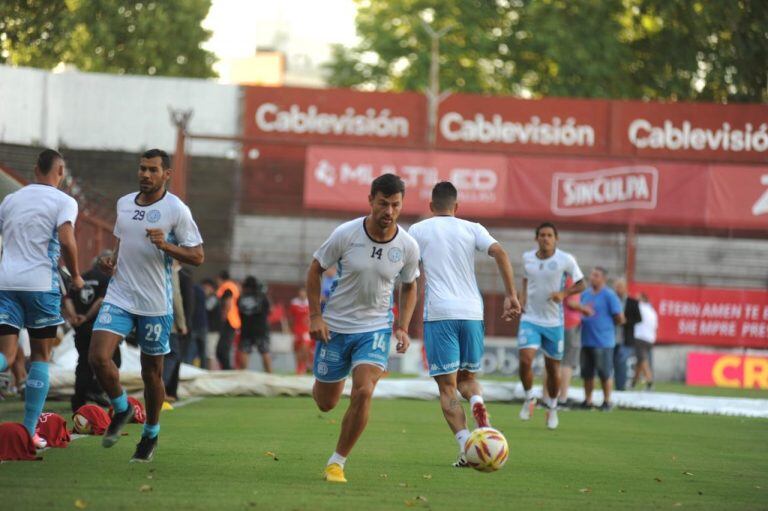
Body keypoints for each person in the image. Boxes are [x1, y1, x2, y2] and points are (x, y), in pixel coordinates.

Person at [88, 148, 204, 463]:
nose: (146, 175)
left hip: (155, 302)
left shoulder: (176, 209)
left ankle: (150, 434)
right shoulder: (124, 203)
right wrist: (113, 260)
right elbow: (122, 242)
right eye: (142, 169)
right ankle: (123, 407)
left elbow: (197, 256)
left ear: (166, 174)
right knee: (98, 356)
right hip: (121, 294)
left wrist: (166, 244)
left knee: (151, 373)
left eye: (153, 170)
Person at [307, 173, 420, 483]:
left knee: (364, 391)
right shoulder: (346, 234)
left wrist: (403, 326)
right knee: (326, 402)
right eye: (383, 204)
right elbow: (316, 268)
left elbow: (410, 285)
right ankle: (327, 380)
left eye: (395, 205)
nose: (389, 211)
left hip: (375, 328)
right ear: (371, 200)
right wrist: (315, 316)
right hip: (336, 327)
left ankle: (337, 462)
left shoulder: (408, 246)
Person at [408, 181, 521, 467]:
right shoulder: (473, 228)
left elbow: (407, 275)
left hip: (440, 314)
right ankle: (479, 406)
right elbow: (501, 253)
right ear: (457, 207)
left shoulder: (418, 231)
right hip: (472, 312)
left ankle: (466, 446)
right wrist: (511, 295)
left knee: (447, 388)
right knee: (468, 380)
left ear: (431, 207)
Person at [0, 149, 84, 449]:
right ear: (59, 171)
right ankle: (28, 431)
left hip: (6, 282)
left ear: (36, 168)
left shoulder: (11, 200)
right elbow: (65, 239)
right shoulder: (64, 201)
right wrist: (75, 275)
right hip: (39, 284)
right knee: (40, 357)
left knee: (8, 357)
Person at [518, 222, 585, 429]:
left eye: (549, 235)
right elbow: (525, 282)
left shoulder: (565, 259)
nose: (546, 238)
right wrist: (521, 301)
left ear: (556, 238)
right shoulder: (527, 258)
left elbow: (581, 283)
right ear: (536, 238)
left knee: (553, 370)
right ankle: (529, 398)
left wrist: (563, 294)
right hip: (530, 318)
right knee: (525, 358)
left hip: (554, 322)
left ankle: (552, 407)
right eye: (542, 235)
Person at [64, 250, 121, 412]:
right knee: (113, 359)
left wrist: (75, 317)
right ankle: (97, 390)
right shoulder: (107, 279)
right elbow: (101, 301)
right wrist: (88, 317)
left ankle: (78, 401)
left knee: (83, 362)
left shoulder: (81, 277)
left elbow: (67, 299)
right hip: (100, 327)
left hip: (80, 327)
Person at [579, 267, 625, 410]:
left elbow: (620, 318)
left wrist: (607, 326)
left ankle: (607, 401)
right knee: (587, 373)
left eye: (596, 275)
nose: (592, 277)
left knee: (604, 373)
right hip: (586, 339)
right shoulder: (585, 294)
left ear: (604, 278)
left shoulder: (609, 295)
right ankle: (588, 401)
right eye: (592, 275)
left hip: (603, 342)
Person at [612, 278, 642, 391]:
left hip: (625, 338)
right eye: (616, 286)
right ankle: (613, 385)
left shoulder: (632, 302)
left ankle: (620, 387)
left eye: (619, 287)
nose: (617, 289)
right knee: (611, 363)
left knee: (621, 362)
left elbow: (638, 319)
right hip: (611, 337)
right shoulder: (612, 300)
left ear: (625, 288)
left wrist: (626, 321)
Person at [237, 276, 272, 373]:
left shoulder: (241, 298)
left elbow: (239, 312)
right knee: (265, 351)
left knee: (245, 352)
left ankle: (243, 375)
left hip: (246, 330)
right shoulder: (262, 298)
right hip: (261, 329)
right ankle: (270, 376)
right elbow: (269, 311)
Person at [632, 293, 658, 390]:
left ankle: (650, 382)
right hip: (650, 339)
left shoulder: (640, 307)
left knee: (643, 360)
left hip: (640, 337)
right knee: (640, 361)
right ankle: (633, 383)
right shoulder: (652, 311)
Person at [216, 271, 240, 370]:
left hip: (229, 320)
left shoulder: (226, 286)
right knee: (224, 348)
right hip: (233, 320)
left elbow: (228, 301)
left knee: (223, 349)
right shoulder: (233, 286)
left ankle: (227, 369)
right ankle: (226, 368)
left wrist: (224, 314)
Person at [288, 288, 312, 374]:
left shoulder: (310, 303)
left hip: (306, 330)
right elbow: (291, 317)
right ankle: (298, 367)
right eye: (300, 293)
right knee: (297, 349)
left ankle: (304, 366)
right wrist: (290, 329)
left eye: (303, 293)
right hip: (297, 330)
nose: (302, 295)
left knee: (305, 348)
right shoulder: (294, 303)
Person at [185, 280, 208, 368]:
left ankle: (188, 369)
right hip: (203, 324)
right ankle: (204, 370)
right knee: (203, 352)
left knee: (190, 351)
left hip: (194, 325)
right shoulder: (200, 290)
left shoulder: (189, 291)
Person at [201, 279, 221, 370]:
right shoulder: (212, 298)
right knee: (209, 353)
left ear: (211, 288)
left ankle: (211, 373)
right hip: (211, 329)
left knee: (210, 353)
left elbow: (206, 308)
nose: (204, 290)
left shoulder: (213, 299)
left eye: (205, 288)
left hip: (212, 330)